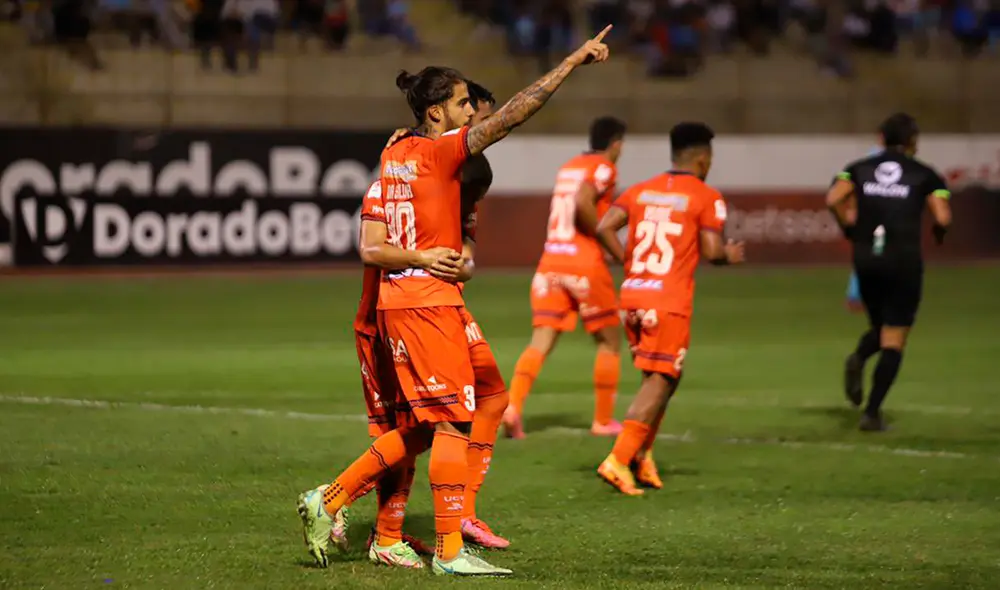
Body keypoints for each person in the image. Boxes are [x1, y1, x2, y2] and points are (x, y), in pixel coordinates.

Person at [297, 25, 613, 576]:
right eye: (463, 103)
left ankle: (344, 503)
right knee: (445, 423)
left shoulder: (396, 149)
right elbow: (516, 113)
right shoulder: (440, 153)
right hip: (421, 302)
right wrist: (571, 63)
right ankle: (442, 547)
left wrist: (443, 243)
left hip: (420, 300)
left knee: (460, 409)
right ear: (437, 113)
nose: (473, 113)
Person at [592, 122, 745, 496]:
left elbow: (603, 227)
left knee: (659, 381)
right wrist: (730, 254)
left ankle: (642, 456)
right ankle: (618, 459)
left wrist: (630, 265)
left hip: (633, 295)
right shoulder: (706, 195)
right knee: (661, 380)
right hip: (668, 301)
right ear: (703, 158)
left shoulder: (642, 190)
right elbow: (711, 251)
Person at [503, 116, 629, 440]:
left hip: (551, 260)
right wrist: (607, 240)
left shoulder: (569, 166)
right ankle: (603, 421)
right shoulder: (603, 167)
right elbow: (583, 201)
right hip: (583, 262)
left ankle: (513, 407)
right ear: (616, 144)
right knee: (609, 341)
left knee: (540, 341)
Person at [826, 113, 952, 432]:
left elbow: (834, 199)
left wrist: (847, 225)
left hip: (867, 259)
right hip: (903, 261)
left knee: (881, 325)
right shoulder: (926, 175)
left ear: (880, 137)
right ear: (913, 141)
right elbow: (943, 217)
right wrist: (939, 233)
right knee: (894, 337)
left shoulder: (857, 168)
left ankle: (857, 358)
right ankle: (871, 413)